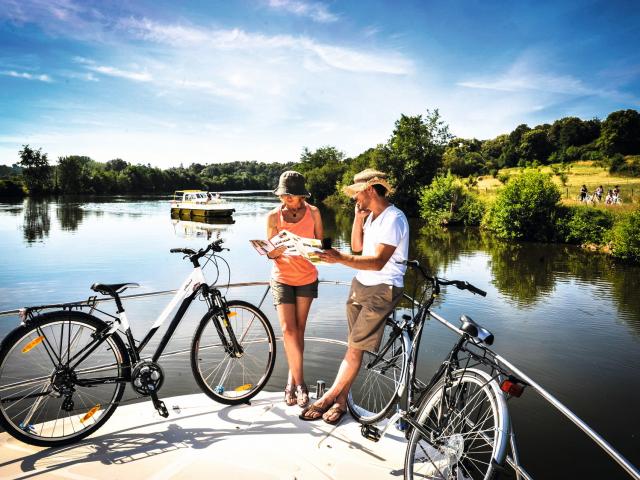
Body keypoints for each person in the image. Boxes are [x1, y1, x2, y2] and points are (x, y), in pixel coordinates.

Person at [299, 169, 408, 425]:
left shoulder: (394, 219)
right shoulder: (372, 217)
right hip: (360, 284)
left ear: (370, 189)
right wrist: (358, 219)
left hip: (382, 288)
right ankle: (341, 403)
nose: (354, 198)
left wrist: (339, 259)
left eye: (356, 193)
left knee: (354, 347)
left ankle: (328, 397)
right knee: (353, 348)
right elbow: (358, 247)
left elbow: (379, 262)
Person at [266, 171, 323, 408]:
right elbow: (270, 251)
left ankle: (291, 379)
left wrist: (313, 249)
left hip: (307, 276)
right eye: (283, 195)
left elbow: (322, 244)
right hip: (282, 277)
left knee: (299, 330)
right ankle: (300, 384)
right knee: (288, 330)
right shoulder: (272, 216)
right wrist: (273, 251)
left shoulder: (314, 213)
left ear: (301, 196)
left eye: (290, 195)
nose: (286, 199)